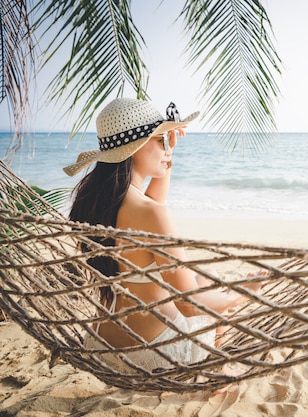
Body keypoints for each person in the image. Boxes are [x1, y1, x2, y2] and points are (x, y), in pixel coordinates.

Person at [63, 97, 261, 372]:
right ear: (136, 147)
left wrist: (167, 155)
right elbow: (190, 306)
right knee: (207, 287)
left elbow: (152, 206)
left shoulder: (98, 204)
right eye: (161, 141)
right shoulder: (151, 214)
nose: (168, 147)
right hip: (153, 354)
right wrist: (244, 293)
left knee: (197, 279)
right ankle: (218, 371)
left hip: (101, 346)